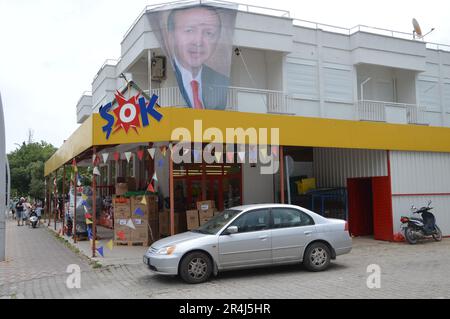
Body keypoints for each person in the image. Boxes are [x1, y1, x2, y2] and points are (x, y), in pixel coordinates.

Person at [167, 6, 229, 110]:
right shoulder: (167, 77)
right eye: (189, 30)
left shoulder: (221, 82)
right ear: (171, 36)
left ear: (217, 39)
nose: (198, 42)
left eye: (208, 33)